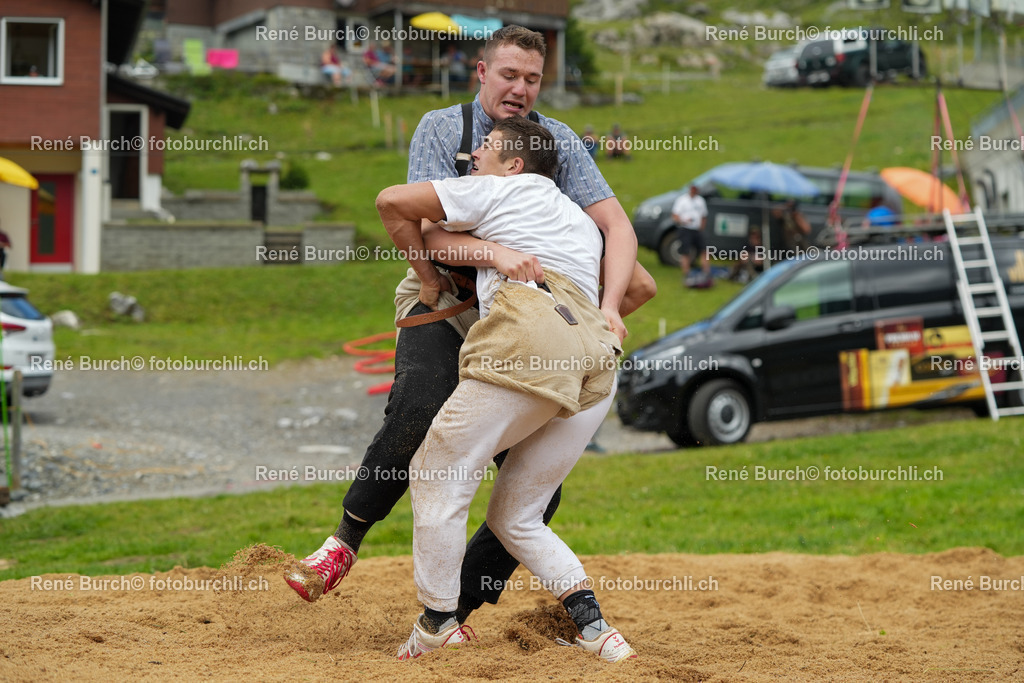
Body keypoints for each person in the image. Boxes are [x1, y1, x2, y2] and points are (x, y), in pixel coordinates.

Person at [284, 24, 655, 629]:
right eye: (509, 75)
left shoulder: (554, 140)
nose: (520, 88)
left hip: (525, 317)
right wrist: (468, 266)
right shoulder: (442, 129)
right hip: (446, 293)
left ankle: (453, 610)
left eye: (532, 79)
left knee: (534, 489)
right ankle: (340, 545)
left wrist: (606, 309)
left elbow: (617, 229)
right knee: (416, 409)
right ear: (482, 71)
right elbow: (425, 230)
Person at [377, 116, 637, 662]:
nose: (474, 153)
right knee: (517, 515)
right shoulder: (577, 219)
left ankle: (438, 623)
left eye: (487, 147)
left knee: (436, 471)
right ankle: (597, 631)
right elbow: (645, 284)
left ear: (515, 164)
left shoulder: (498, 188)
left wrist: (428, 278)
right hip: (596, 358)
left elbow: (391, 202)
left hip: (531, 337)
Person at [672, 184, 711, 287]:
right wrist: (683, 221)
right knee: (686, 252)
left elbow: (704, 215)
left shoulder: (700, 201)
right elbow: (675, 216)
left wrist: (701, 227)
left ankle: (706, 272)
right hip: (685, 229)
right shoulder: (682, 200)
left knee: (704, 250)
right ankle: (686, 273)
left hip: (697, 229)